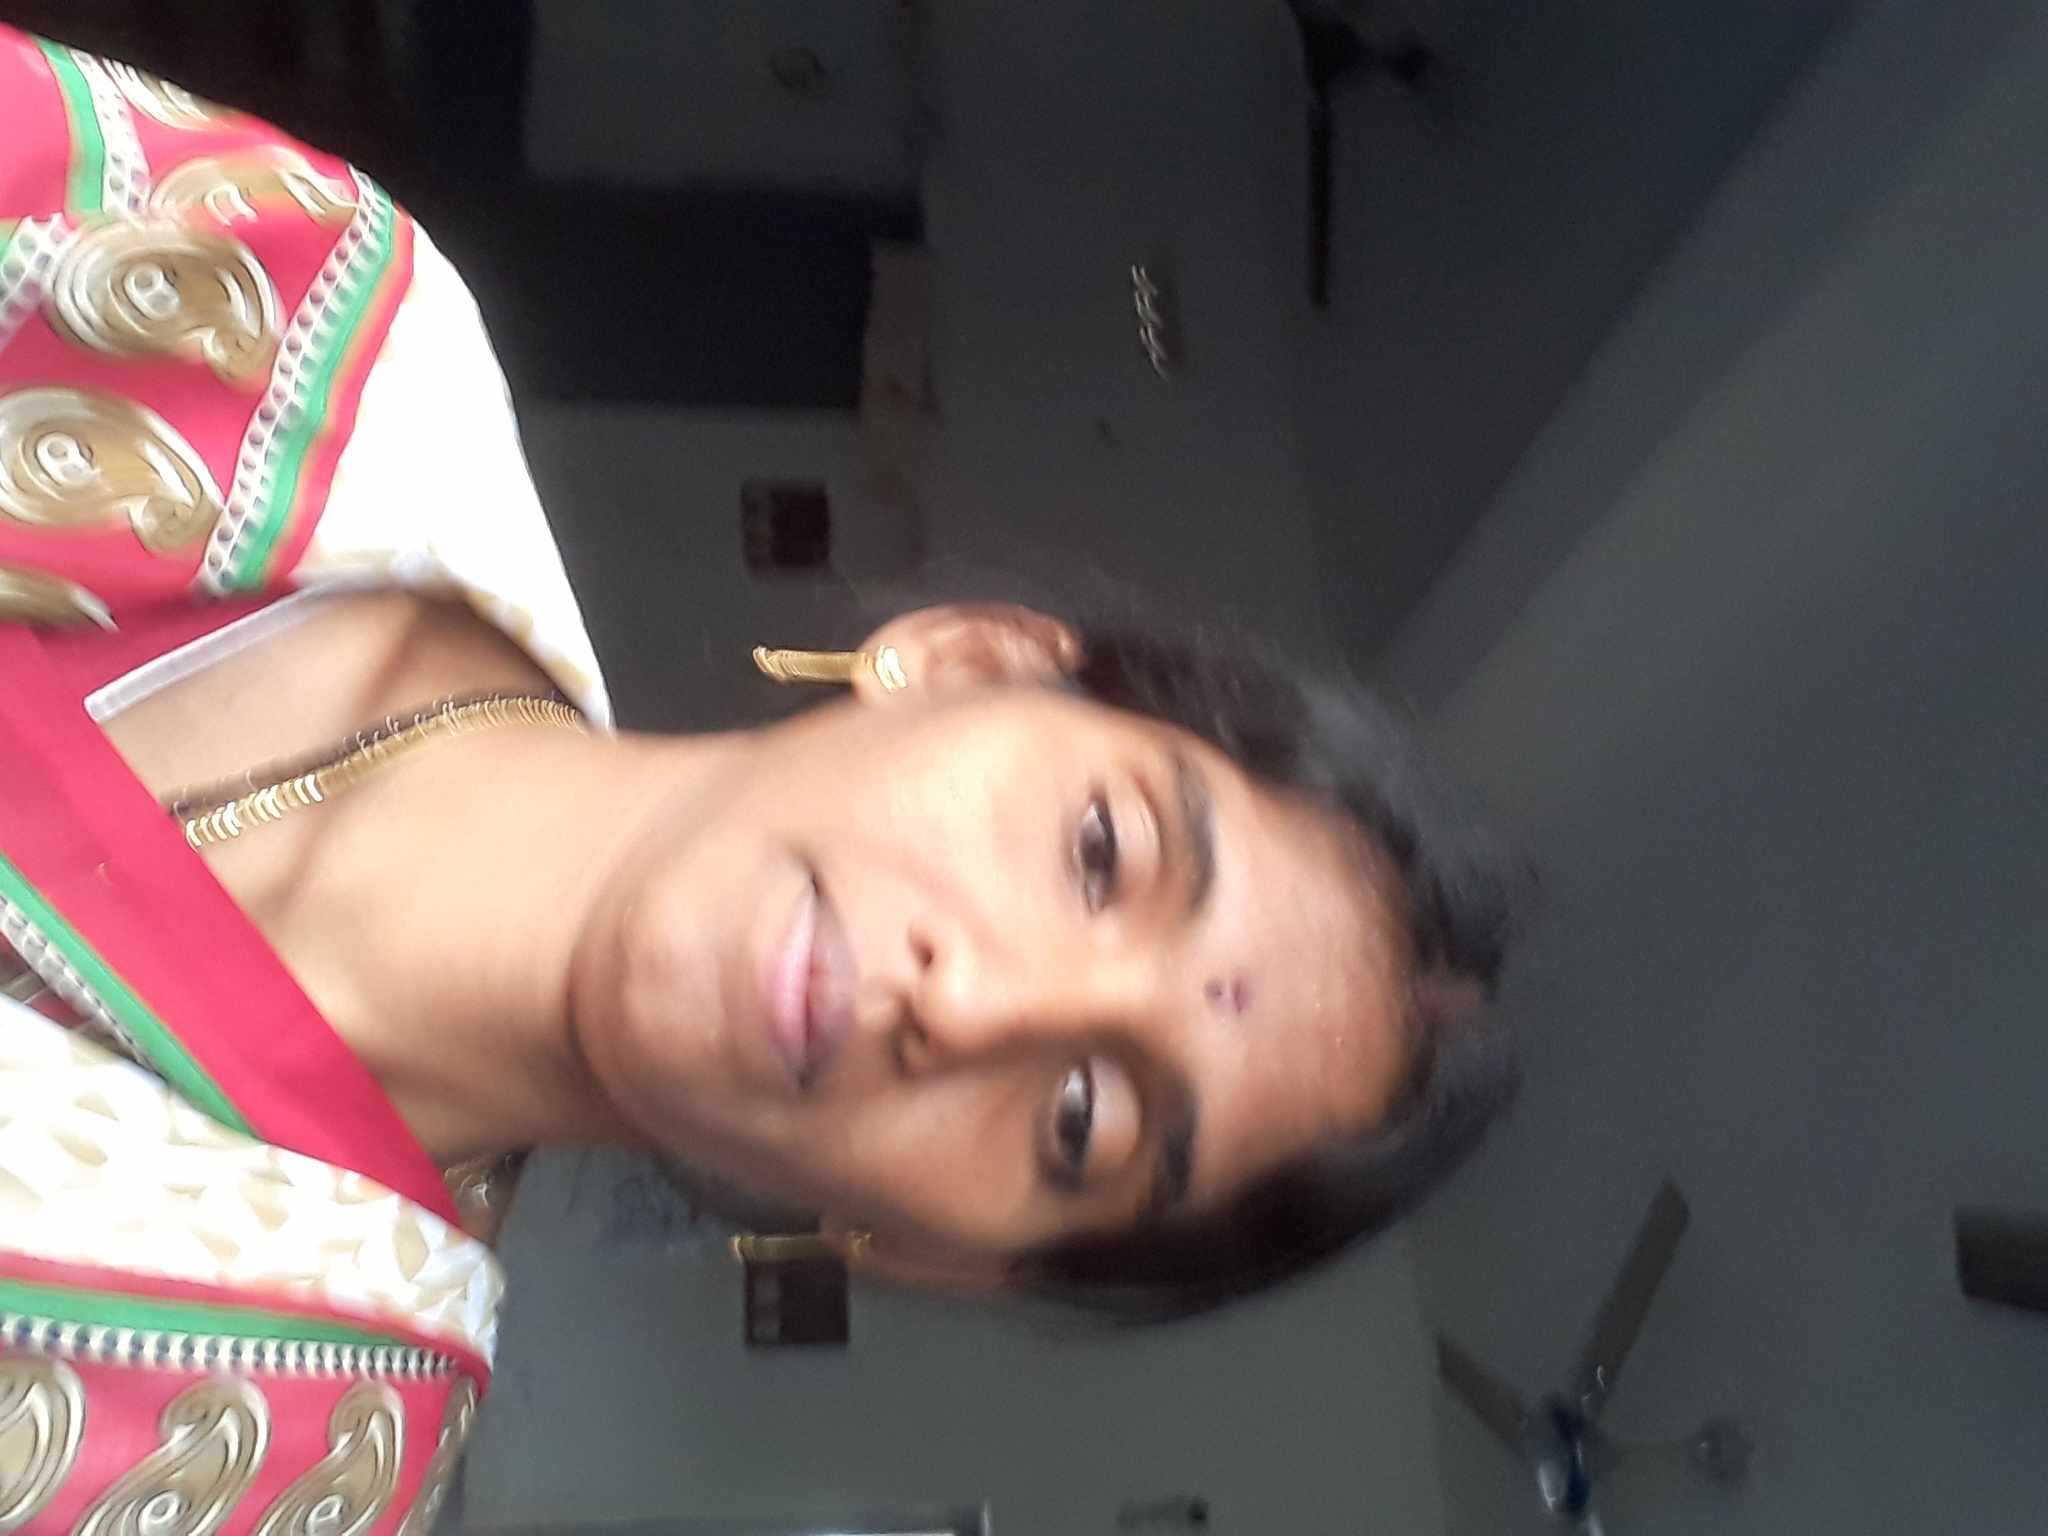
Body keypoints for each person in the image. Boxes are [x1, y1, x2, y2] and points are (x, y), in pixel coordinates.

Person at [0, 24, 1520, 1533]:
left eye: (1080, 1121)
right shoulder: (279, 312)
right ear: (967, 659)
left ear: (937, 1260)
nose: (974, 1007)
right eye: (1100, 855)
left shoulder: (262, 1459)